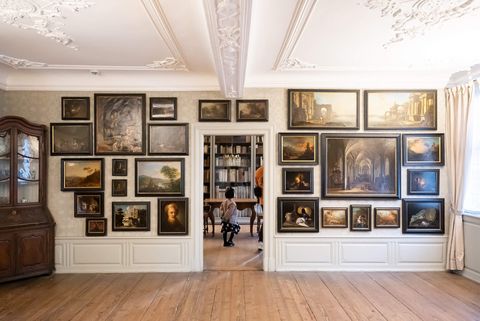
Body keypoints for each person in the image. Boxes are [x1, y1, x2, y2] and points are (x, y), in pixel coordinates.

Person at [255, 165, 264, 251]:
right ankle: (261, 241)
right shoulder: (268, 169)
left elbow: (257, 185)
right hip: (268, 199)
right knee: (267, 222)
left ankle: (261, 241)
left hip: (262, 200)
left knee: (266, 222)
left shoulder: (258, 170)